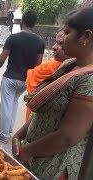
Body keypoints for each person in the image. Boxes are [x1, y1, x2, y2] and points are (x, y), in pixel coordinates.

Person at [12, 7, 93, 180]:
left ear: (86, 37)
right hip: (34, 157)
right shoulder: (71, 65)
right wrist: (20, 135)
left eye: (67, 32)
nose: (61, 39)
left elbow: (68, 137)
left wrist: (27, 150)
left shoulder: (89, 79)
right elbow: (46, 109)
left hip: (55, 167)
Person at [0, 10, 45, 143]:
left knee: (6, 105)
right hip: (25, 80)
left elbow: (2, 58)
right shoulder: (40, 42)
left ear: (22, 22)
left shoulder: (13, 38)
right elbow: (38, 65)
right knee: (14, 102)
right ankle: (8, 128)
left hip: (10, 78)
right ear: (34, 24)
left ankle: (4, 134)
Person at [25, 31, 70, 122]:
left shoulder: (75, 71)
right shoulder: (49, 66)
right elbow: (29, 79)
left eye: (61, 43)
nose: (54, 47)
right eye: (56, 42)